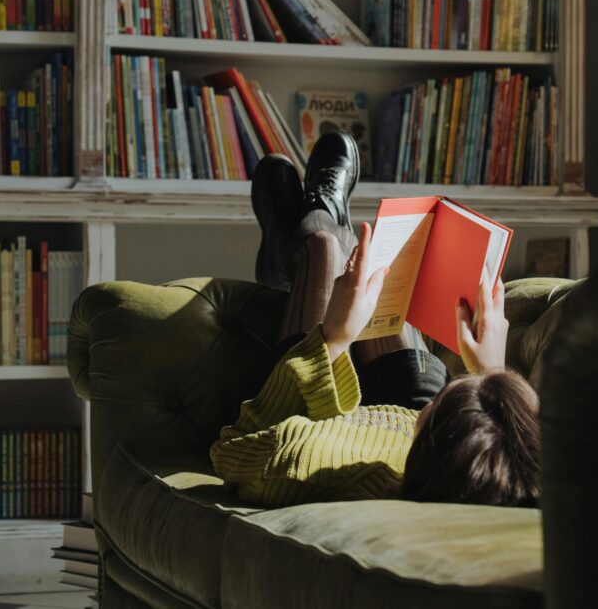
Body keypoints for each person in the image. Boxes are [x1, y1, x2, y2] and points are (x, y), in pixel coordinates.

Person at [209, 131, 540, 508]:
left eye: (459, 387)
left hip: (320, 415)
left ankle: (308, 233)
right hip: (418, 424)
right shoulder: (475, 462)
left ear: (435, 439)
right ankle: (304, 235)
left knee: (327, 247)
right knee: (372, 268)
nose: (462, 377)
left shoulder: (311, 462)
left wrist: (334, 338)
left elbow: (231, 452)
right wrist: (491, 372)